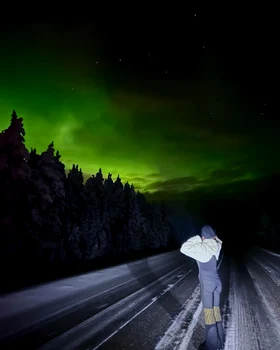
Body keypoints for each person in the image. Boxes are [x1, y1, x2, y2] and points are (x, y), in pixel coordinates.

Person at [180, 225, 224, 350]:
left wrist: (197, 238)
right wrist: (213, 237)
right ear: (213, 236)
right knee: (216, 314)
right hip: (217, 284)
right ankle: (219, 343)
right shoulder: (216, 246)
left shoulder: (202, 248)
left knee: (209, 316)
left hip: (208, 286)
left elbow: (184, 248)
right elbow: (219, 241)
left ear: (204, 236)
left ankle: (211, 347)